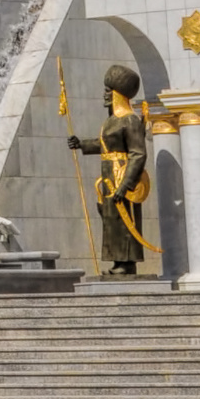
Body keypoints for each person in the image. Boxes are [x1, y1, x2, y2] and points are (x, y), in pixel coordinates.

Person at [69, 66, 152, 277]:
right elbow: (106, 145)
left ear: (119, 95)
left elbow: (138, 154)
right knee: (110, 219)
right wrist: (82, 144)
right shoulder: (110, 121)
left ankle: (128, 263)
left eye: (109, 91)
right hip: (108, 177)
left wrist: (126, 184)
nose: (105, 95)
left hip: (123, 176)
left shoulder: (130, 120)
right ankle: (117, 261)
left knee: (125, 220)